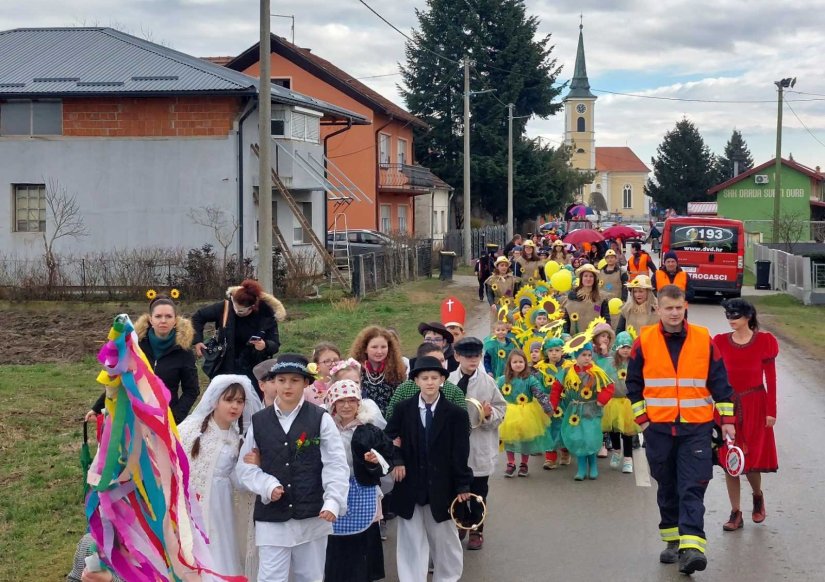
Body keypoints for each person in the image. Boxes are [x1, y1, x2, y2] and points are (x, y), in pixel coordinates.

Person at [626, 285, 736, 575]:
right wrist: (644, 421)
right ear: (658, 309)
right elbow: (633, 384)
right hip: (659, 428)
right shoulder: (645, 340)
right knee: (668, 484)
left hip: (696, 427)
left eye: (679, 308)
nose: (674, 313)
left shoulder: (703, 339)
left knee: (693, 485)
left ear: (685, 307)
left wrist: (727, 421)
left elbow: (720, 382)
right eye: (668, 308)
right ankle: (673, 541)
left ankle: (693, 548)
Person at [235, 354, 349, 582]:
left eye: (295, 380)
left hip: (312, 515)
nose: (287, 386)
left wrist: (333, 500)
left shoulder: (320, 418)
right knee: (270, 577)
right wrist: (267, 485)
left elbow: (335, 464)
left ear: (306, 383)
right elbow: (244, 469)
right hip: (272, 518)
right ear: (273, 382)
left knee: (310, 576)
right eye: (282, 380)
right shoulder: (258, 422)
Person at [385, 356, 473, 582]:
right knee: (411, 539)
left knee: (444, 537)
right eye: (424, 378)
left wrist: (463, 484)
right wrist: (398, 460)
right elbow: (389, 437)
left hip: (442, 484)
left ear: (443, 379)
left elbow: (461, 452)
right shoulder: (404, 409)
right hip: (410, 483)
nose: (430, 382)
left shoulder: (456, 414)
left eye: (435, 377)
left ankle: (447, 577)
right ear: (416, 381)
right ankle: (412, 578)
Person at [179, 374, 262, 580]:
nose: (234, 406)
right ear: (215, 400)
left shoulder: (237, 439)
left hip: (221, 505)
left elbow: (237, 480)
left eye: (239, 402)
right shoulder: (191, 429)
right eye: (229, 400)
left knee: (221, 549)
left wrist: (254, 466)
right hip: (191, 503)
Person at [712, 300, 779, 531]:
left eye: (736, 314)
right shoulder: (720, 341)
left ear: (748, 316)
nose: (731, 318)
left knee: (750, 462)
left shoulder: (764, 342)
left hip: (754, 405)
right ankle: (735, 512)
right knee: (730, 459)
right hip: (727, 405)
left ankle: (757, 496)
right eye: (728, 314)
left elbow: (770, 378)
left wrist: (771, 411)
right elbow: (713, 376)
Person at [86, 296, 199, 424]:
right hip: (134, 419)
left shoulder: (184, 352)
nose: (163, 320)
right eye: (158, 316)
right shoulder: (136, 346)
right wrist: (96, 408)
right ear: (150, 319)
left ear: (175, 320)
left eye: (168, 316)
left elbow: (192, 390)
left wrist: (175, 418)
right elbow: (120, 380)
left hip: (165, 420)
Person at [324, 379, 395, 582]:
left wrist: (374, 462)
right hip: (334, 489)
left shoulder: (370, 430)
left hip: (362, 489)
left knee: (363, 544)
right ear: (333, 404)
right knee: (333, 543)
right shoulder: (326, 429)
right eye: (341, 401)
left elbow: (387, 461)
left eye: (351, 401)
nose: (346, 406)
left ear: (359, 404)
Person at [448, 337, 507, 551]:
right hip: (455, 446)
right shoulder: (448, 381)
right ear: (457, 357)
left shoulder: (488, 382)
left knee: (479, 490)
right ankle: (461, 521)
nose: (472, 360)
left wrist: (489, 415)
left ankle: (476, 528)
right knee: (457, 488)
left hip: (480, 442)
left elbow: (502, 408)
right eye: (467, 356)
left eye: (476, 356)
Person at [193, 279, 286, 396]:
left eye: (241, 311)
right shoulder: (226, 307)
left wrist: (265, 345)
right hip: (225, 366)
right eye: (235, 308)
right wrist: (197, 341)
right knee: (224, 401)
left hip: (254, 369)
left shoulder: (266, 315)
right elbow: (198, 317)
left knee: (251, 404)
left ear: (253, 307)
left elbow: (275, 344)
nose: (237, 312)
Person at [550, 335, 614, 481]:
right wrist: (552, 406)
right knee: (578, 437)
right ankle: (581, 468)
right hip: (574, 410)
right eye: (583, 355)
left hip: (591, 408)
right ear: (575, 356)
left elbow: (609, 386)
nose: (587, 358)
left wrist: (601, 400)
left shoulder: (596, 371)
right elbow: (556, 388)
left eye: (589, 355)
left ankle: (593, 465)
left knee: (590, 437)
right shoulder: (567, 372)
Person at [498, 350, 552, 478]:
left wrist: (547, 408)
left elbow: (539, 394)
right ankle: (510, 463)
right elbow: (495, 394)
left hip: (527, 413)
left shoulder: (530, 379)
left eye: (521, 361)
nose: (518, 364)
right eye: (515, 362)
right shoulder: (502, 380)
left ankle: (524, 464)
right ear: (509, 364)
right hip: (509, 412)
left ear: (525, 363)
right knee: (509, 438)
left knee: (525, 439)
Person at [387, 343, 466, 420]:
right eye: (434, 360)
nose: (440, 364)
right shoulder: (404, 389)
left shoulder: (455, 391)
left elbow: (464, 423)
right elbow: (390, 416)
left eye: (442, 360)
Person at [601, 331, 640, 474]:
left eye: (628, 347)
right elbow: (604, 379)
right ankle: (617, 451)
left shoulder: (635, 363)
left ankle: (628, 458)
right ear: (617, 347)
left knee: (628, 432)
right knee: (613, 430)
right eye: (622, 347)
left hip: (628, 402)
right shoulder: (610, 363)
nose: (625, 350)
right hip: (612, 402)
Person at [350, 326, 407, 416]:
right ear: (365, 348)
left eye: (383, 347)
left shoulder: (396, 371)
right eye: (374, 347)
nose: (379, 351)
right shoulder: (354, 370)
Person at [563, 264, 611, 335]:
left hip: (595, 338)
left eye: (591, 276)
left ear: (594, 279)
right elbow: (566, 320)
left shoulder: (601, 298)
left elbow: (606, 318)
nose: (588, 279)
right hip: (575, 339)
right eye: (585, 276)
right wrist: (565, 335)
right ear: (581, 278)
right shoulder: (572, 297)